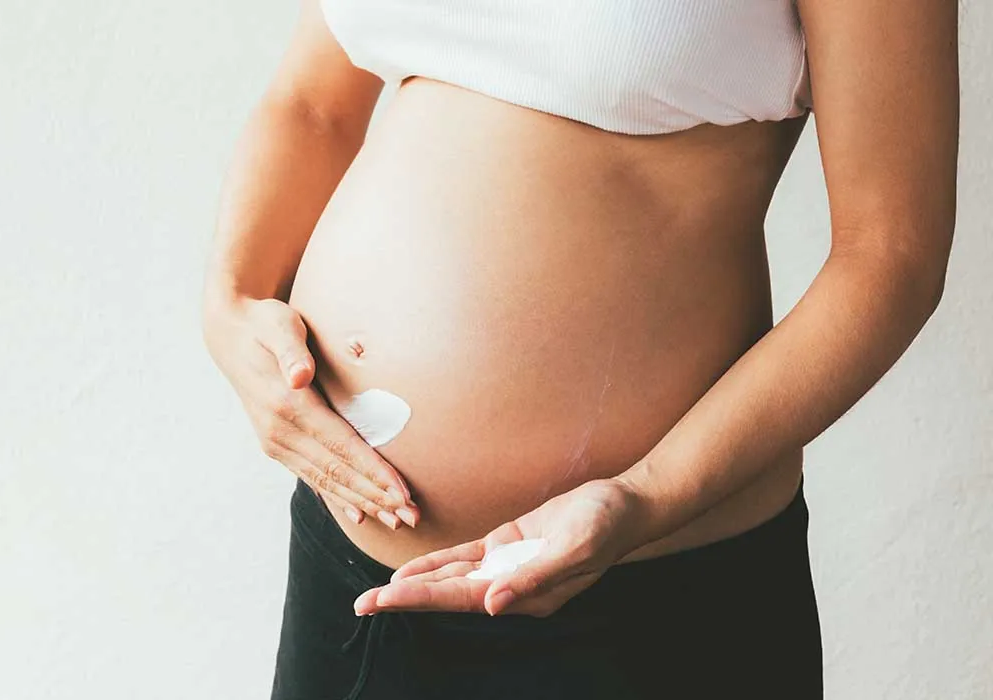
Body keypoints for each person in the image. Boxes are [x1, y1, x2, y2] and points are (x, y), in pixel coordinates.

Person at [201, 1, 959, 698]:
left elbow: (889, 256)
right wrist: (229, 305)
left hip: (648, 598)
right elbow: (310, 106)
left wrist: (645, 496)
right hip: (351, 573)